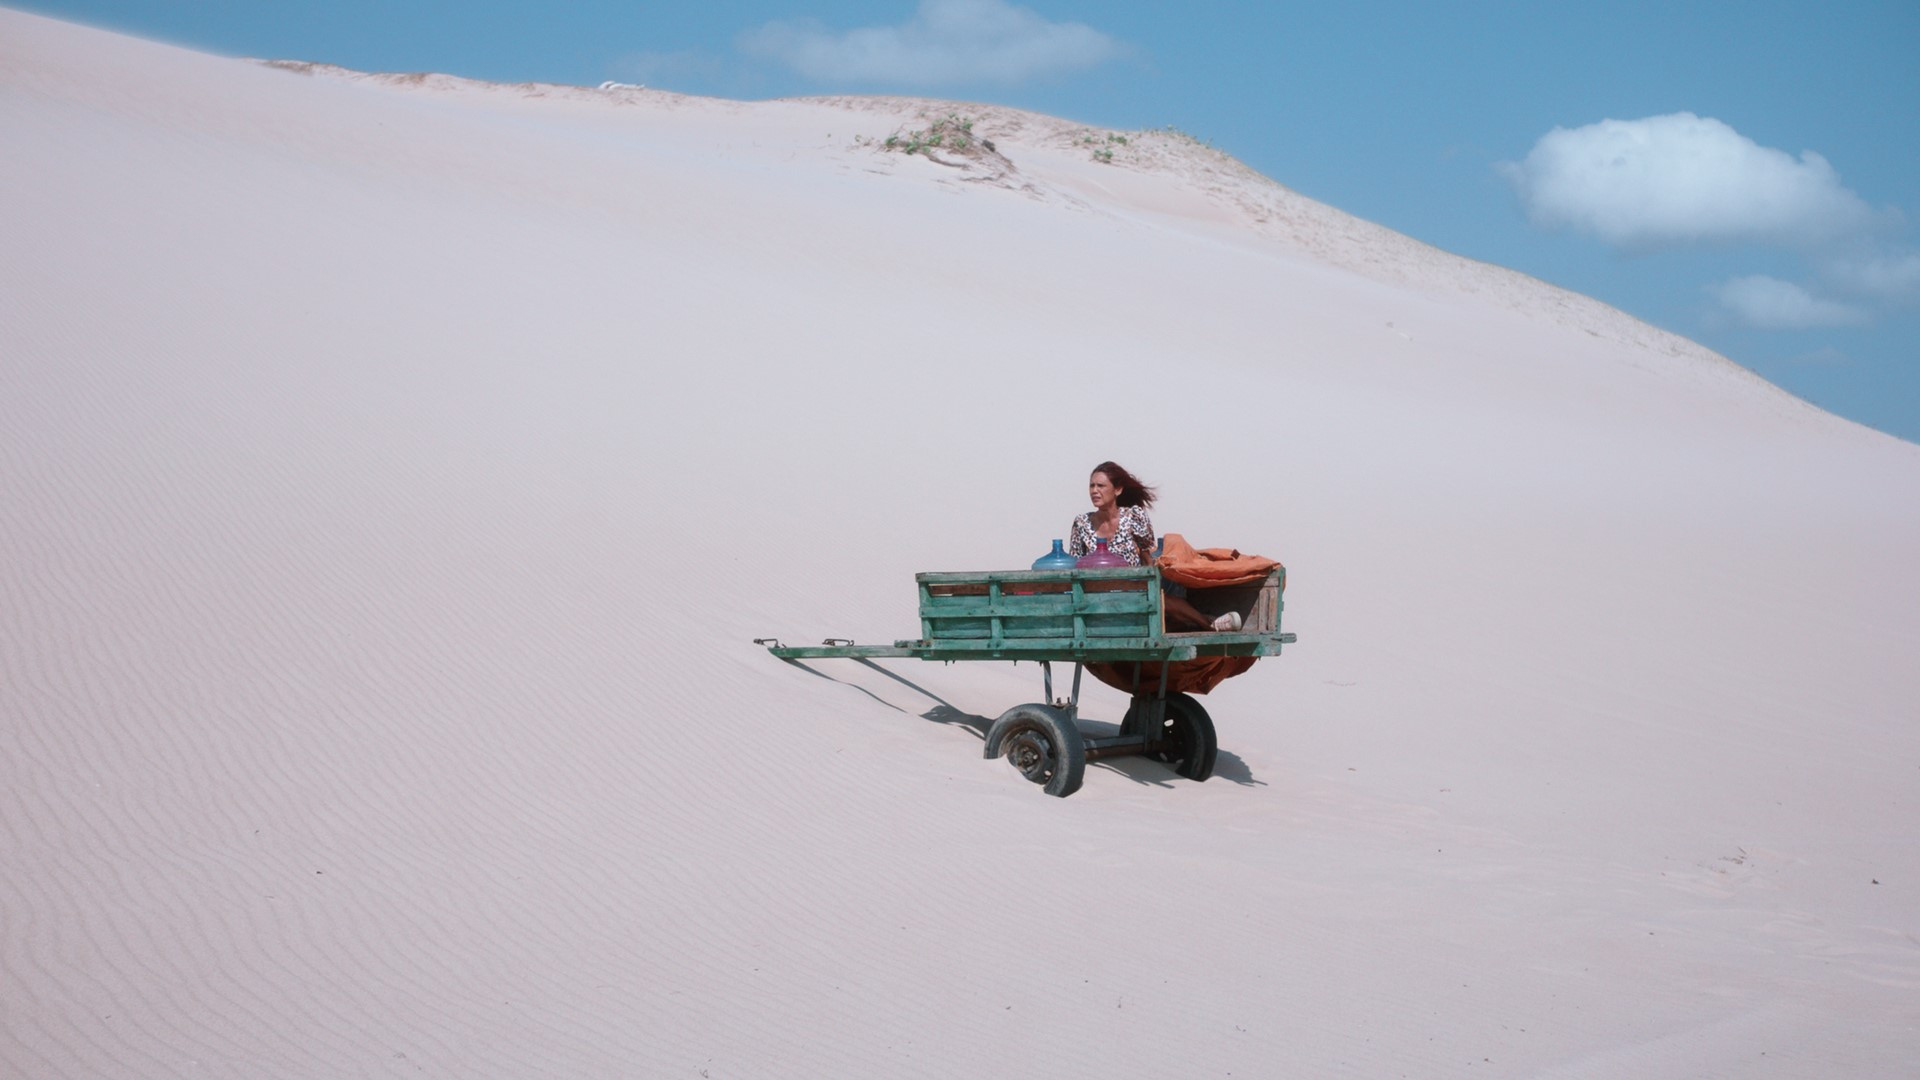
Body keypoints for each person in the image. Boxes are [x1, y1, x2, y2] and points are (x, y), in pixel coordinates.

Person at [1067, 461, 1242, 632]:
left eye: (1101, 486)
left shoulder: (1133, 516)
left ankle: (1209, 624)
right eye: (1092, 486)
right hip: (1095, 595)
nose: (1095, 491)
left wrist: (1152, 588)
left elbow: (1146, 556)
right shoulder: (1082, 523)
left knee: (1162, 600)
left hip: (1131, 590)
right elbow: (1074, 563)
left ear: (1118, 490)